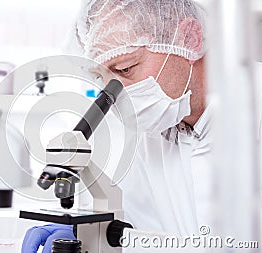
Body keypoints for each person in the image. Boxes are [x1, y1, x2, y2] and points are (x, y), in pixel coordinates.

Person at [22, 0, 211, 252]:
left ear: (189, 38)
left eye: (125, 68)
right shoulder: (148, 127)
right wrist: (92, 235)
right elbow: (143, 235)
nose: (117, 93)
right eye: (103, 78)